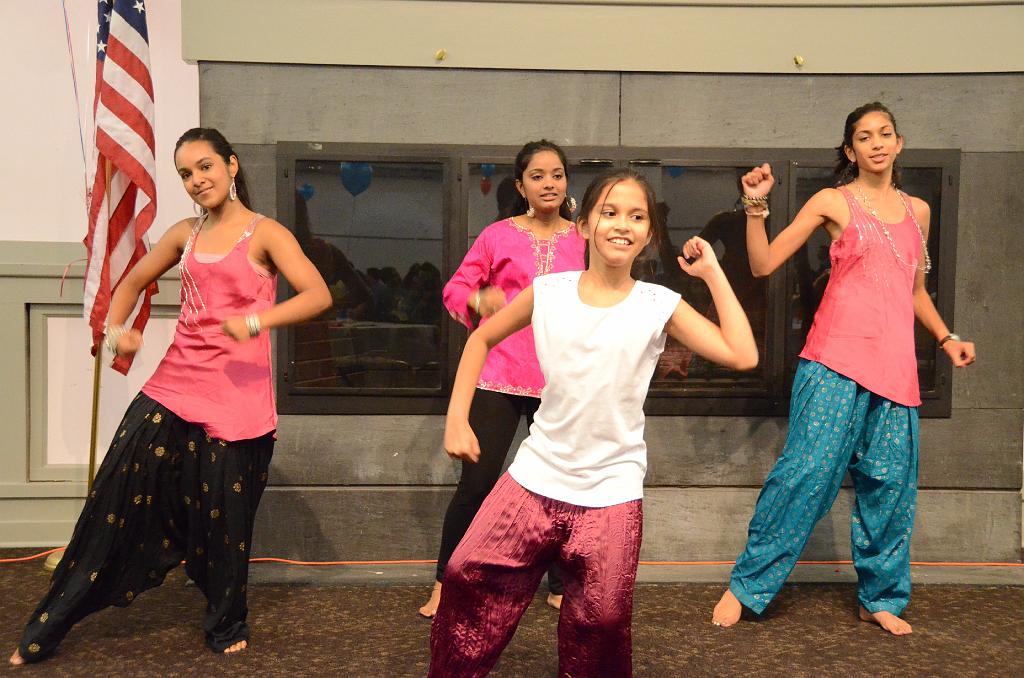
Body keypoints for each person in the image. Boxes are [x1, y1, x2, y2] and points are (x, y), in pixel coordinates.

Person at [10, 128, 332, 665]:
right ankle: (52, 621)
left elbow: (318, 294)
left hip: (236, 402)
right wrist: (119, 333)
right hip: (175, 384)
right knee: (112, 498)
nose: (196, 180)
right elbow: (131, 283)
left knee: (225, 525)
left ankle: (226, 622)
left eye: (205, 166)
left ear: (231, 166)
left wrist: (256, 322)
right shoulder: (184, 233)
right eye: (185, 173)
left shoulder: (266, 233)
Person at [429, 169, 758, 677]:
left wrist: (713, 273)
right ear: (583, 226)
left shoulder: (659, 304)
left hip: (611, 491)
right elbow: (480, 338)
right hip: (535, 478)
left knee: (602, 621)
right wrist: (456, 418)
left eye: (637, 216)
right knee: (463, 572)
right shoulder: (548, 291)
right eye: (610, 212)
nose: (622, 224)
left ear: (648, 234)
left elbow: (742, 354)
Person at [711, 102, 976, 636]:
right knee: (804, 477)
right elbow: (763, 264)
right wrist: (756, 208)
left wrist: (946, 337)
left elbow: (914, 290)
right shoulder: (833, 201)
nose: (876, 143)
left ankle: (880, 598)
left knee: (890, 490)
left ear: (899, 143)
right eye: (864, 136)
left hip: (895, 371)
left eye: (885, 133)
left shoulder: (919, 212)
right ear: (850, 150)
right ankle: (746, 585)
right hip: (834, 363)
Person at [419, 140, 586, 618]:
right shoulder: (497, 236)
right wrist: (478, 300)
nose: (549, 183)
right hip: (500, 375)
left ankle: (561, 583)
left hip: (561, 378)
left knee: (564, 485)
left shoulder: (584, 239)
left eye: (557, 174)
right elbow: (456, 289)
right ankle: (445, 581)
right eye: (537, 176)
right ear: (520, 186)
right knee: (476, 484)